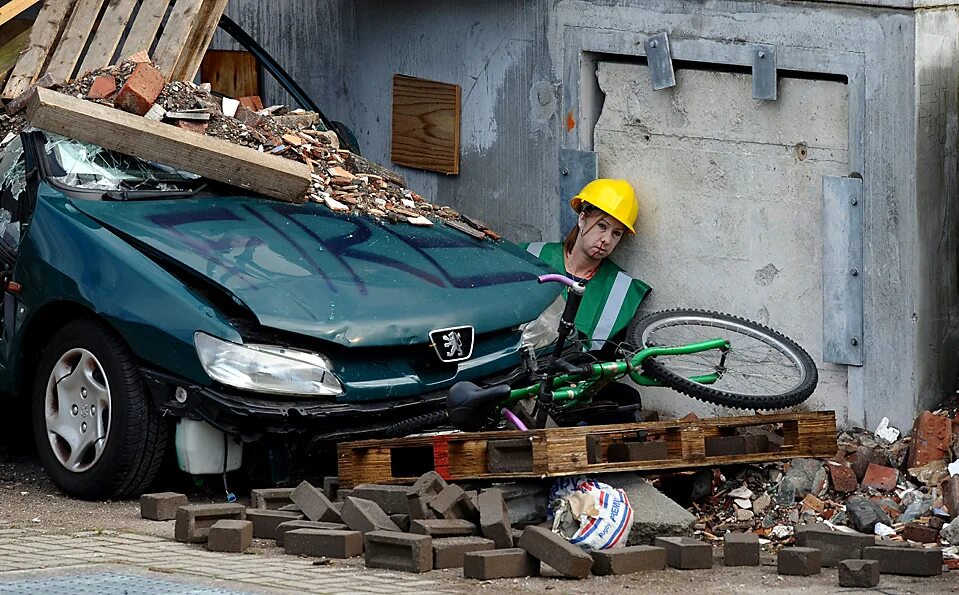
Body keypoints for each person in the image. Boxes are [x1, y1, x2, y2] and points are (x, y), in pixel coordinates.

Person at [524, 178, 651, 354]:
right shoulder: (531, 255)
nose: (607, 240)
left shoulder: (620, 291)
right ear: (582, 219)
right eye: (602, 226)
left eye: (616, 233)